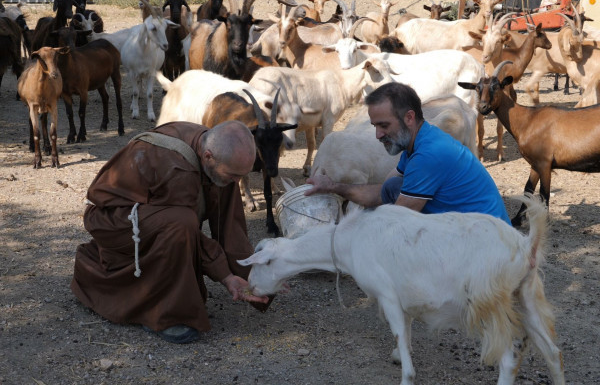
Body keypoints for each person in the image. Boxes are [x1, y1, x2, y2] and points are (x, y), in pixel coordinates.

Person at [71, 120, 269, 344]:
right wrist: (225, 276)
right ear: (207, 156)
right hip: (110, 219)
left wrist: (255, 278)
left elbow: (230, 224)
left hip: (149, 213)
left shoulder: (213, 149)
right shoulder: (179, 170)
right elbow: (188, 234)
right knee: (179, 224)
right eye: (235, 174)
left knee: (214, 194)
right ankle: (164, 313)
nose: (238, 181)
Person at [305, 82, 511, 224]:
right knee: (393, 187)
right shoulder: (417, 144)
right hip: (474, 230)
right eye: (375, 126)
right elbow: (381, 192)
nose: (377, 135)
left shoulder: (429, 155)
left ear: (409, 118)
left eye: (384, 125)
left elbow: (395, 218)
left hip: (488, 245)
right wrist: (332, 186)